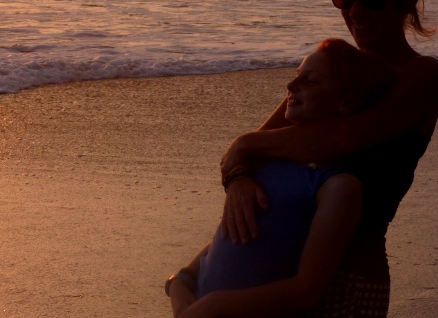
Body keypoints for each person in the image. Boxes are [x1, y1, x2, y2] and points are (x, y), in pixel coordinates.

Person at [219, 0, 438, 315]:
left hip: (349, 279)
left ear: (403, 0)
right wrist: (238, 173)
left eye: (370, 0)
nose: (355, 12)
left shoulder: (422, 75)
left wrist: (244, 147)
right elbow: (257, 145)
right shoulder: (334, 72)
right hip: (277, 273)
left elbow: (343, 139)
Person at [168, 38, 394, 318]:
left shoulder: (339, 187)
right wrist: (180, 282)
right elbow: (234, 232)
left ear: (346, 102)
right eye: (295, 76)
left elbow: (307, 291)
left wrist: (215, 305)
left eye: (310, 81)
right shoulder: (267, 162)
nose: (290, 86)